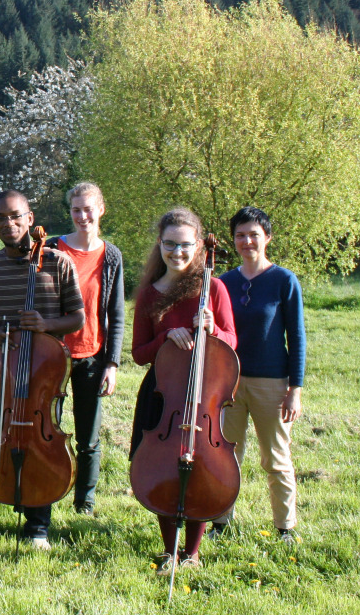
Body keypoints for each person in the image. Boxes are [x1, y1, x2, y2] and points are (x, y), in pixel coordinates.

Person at [0, 190, 85, 553]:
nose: (7, 224)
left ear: (30, 218)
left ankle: (37, 527)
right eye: (0, 218)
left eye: (14, 216)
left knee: (41, 449)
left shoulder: (58, 263)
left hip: (44, 378)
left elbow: (77, 318)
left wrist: (45, 324)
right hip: (3, 379)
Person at [130, 207, 237, 573]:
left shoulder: (214, 288)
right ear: (159, 244)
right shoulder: (148, 294)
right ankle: (169, 550)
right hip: (162, 393)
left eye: (185, 245)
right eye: (170, 244)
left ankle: (191, 553)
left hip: (204, 393)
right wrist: (165, 337)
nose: (177, 252)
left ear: (199, 247)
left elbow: (232, 341)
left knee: (201, 465)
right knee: (161, 464)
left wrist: (213, 329)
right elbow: (139, 353)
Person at [211, 206, 306, 544]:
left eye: (253, 234)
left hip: (272, 383)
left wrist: (295, 388)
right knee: (225, 456)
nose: (247, 241)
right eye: (240, 235)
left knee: (276, 459)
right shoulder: (224, 282)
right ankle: (221, 522)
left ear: (267, 238)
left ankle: (285, 528)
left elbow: (296, 337)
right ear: (233, 240)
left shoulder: (284, 280)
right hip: (230, 382)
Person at [45, 182, 124, 516]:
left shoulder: (112, 256)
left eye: (88, 209)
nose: (82, 216)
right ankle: (45, 494)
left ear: (101, 209)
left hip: (92, 357)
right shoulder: (51, 248)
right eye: (76, 209)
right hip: (51, 357)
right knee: (48, 432)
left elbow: (117, 314)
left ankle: (85, 503)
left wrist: (113, 364)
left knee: (88, 439)